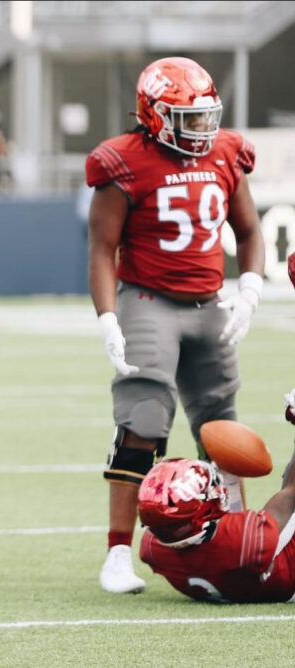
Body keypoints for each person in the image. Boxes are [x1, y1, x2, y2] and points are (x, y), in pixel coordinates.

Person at [86, 56, 265, 594]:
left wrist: (251, 288)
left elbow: (250, 230)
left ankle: (232, 537)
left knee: (224, 430)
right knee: (142, 419)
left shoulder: (227, 152)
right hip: (149, 299)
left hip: (208, 303)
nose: (202, 129)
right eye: (189, 119)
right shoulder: (123, 162)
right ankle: (118, 552)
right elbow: (101, 247)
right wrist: (109, 318)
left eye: (206, 116)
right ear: (154, 116)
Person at [137, 409, 295, 602]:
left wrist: (228, 475)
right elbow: (290, 491)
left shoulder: (153, 549)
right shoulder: (245, 539)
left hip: (236, 581)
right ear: (203, 513)